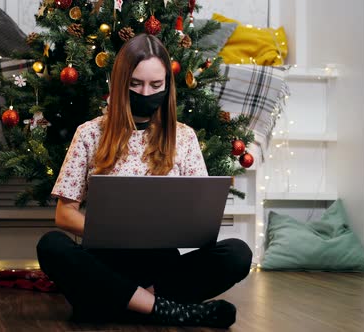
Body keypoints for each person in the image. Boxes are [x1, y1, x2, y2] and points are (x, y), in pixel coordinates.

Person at [36, 34, 252, 328]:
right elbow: (64, 214)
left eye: (155, 85)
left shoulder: (184, 137)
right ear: (121, 82)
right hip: (103, 264)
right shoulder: (89, 133)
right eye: (135, 84)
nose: (145, 92)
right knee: (51, 246)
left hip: (162, 269)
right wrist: (111, 231)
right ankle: (168, 311)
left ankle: (118, 304)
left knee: (238, 253)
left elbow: (200, 220)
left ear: (167, 85)